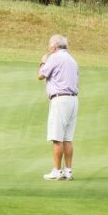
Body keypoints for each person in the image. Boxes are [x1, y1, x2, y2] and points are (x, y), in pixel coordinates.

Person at [38, 33, 78, 180]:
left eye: (50, 45)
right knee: (67, 138)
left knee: (57, 138)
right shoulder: (72, 60)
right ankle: (68, 171)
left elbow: (41, 75)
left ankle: (57, 171)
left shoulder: (54, 58)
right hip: (73, 100)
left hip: (60, 100)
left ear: (55, 47)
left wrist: (43, 62)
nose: (49, 48)